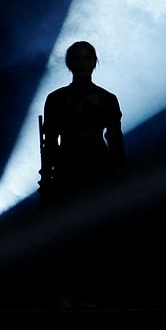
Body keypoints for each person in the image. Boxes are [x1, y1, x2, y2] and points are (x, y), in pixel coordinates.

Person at [39, 40, 125, 207]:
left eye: (86, 58)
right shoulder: (56, 99)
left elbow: (116, 141)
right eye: (77, 59)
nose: (82, 64)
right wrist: (48, 175)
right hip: (67, 171)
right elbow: (49, 142)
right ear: (69, 63)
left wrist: (120, 173)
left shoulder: (107, 99)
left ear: (94, 62)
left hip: (98, 169)